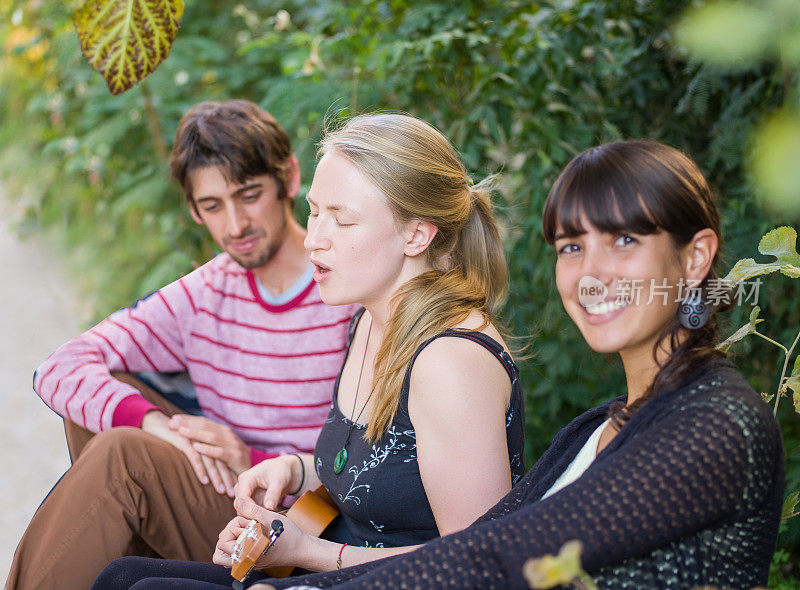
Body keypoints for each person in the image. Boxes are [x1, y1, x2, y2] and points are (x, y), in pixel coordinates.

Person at [146, 138, 781, 590]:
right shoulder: (608, 422)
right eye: (571, 245)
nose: (592, 273)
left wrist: (309, 567)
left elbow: (497, 562)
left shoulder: (715, 424)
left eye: (624, 240)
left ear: (695, 257)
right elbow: (491, 545)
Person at [91, 113, 527, 589]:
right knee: (122, 576)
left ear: (416, 235)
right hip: (331, 564)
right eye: (315, 212)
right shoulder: (368, 321)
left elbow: (479, 565)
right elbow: (378, 469)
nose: (315, 238)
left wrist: (306, 551)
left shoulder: (451, 362)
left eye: (342, 220)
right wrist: (294, 470)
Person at [6, 100, 357, 590]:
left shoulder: (347, 289)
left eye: (249, 195)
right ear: (194, 210)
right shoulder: (204, 293)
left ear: (290, 179)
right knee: (110, 401)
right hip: (222, 503)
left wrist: (250, 460)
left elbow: (373, 457)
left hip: (305, 520)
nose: (235, 225)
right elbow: (60, 367)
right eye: (213, 206)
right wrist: (160, 426)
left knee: (123, 457)